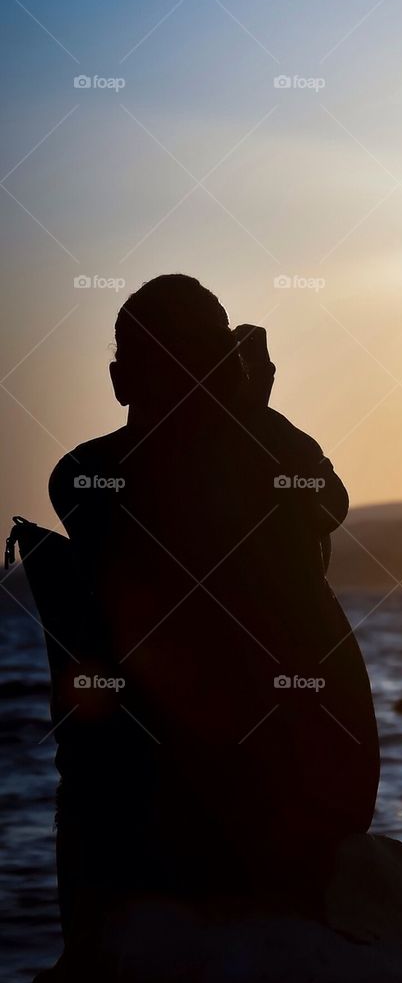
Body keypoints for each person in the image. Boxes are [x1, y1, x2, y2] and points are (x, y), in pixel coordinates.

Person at [47, 275, 379, 940]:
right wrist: (249, 409)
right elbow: (305, 506)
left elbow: (318, 507)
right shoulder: (100, 476)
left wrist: (245, 415)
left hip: (225, 816)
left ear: (118, 380)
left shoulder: (86, 472)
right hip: (212, 812)